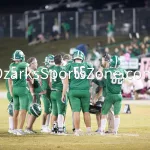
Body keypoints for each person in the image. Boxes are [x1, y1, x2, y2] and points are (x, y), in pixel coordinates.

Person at [62, 50, 92, 136]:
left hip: (74, 91)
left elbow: (66, 82)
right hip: (85, 91)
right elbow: (90, 80)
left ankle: (77, 130)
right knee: (86, 111)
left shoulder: (69, 65)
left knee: (76, 111)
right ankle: (89, 130)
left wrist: (63, 93)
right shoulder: (87, 65)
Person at [100, 55, 126, 135]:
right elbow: (124, 76)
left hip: (110, 95)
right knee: (117, 114)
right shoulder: (122, 70)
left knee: (104, 113)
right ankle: (115, 131)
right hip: (118, 95)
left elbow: (101, 73)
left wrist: (106, 64)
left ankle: (102, 130)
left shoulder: (107, 71)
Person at [8, 50, 33, 135]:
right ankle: (19, 129)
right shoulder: (23, 64)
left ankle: (14, 129)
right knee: (23, 110)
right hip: (22, 89)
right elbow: (30, 71)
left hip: (14, 89)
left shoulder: (11, 65)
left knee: (16, 110)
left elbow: (10, 80)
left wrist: (11, 91)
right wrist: (32, 76)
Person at [92, 53, 115, 134]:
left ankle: (111, 129)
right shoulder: (105, 69)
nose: (101, 61)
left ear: (106, 60)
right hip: (106, 93)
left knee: (109, 111)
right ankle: (103, 128)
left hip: (108, 93)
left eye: (102, 60)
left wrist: (96, 96)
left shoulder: (108, 70)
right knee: (103, 111)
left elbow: (101, 84)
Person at [25, 57, 43, 134]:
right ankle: (28, 128)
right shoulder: (29, 71)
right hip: (34, 93)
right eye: (35, 62)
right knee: (36, 110)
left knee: (31, 110)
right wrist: (33, 93)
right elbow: (29, 82)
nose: (37, 64)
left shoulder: (33, 71)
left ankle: (29, 127)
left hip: (36, 93)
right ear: (31, 64)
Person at [50, 54, 66, 135]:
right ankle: (60, 129)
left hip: (52, 91)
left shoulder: (51, 69)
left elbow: (49, 81)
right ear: (61, 60)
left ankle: (53, 129)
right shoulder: (62, 69)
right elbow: (64, 83)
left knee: (54, 112)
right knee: (61, 111)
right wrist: (63, 94)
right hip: (59, 91)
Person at [38, 55, 54, 133]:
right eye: (51, 61)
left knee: (51, 110)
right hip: (45, 91)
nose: (52, 63)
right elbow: (38, 77)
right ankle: (43, 126)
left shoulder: (54, 69)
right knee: (47, 109)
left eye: (53, 61)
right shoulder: (42, 69)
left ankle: (47, 126)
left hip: (52, 91)